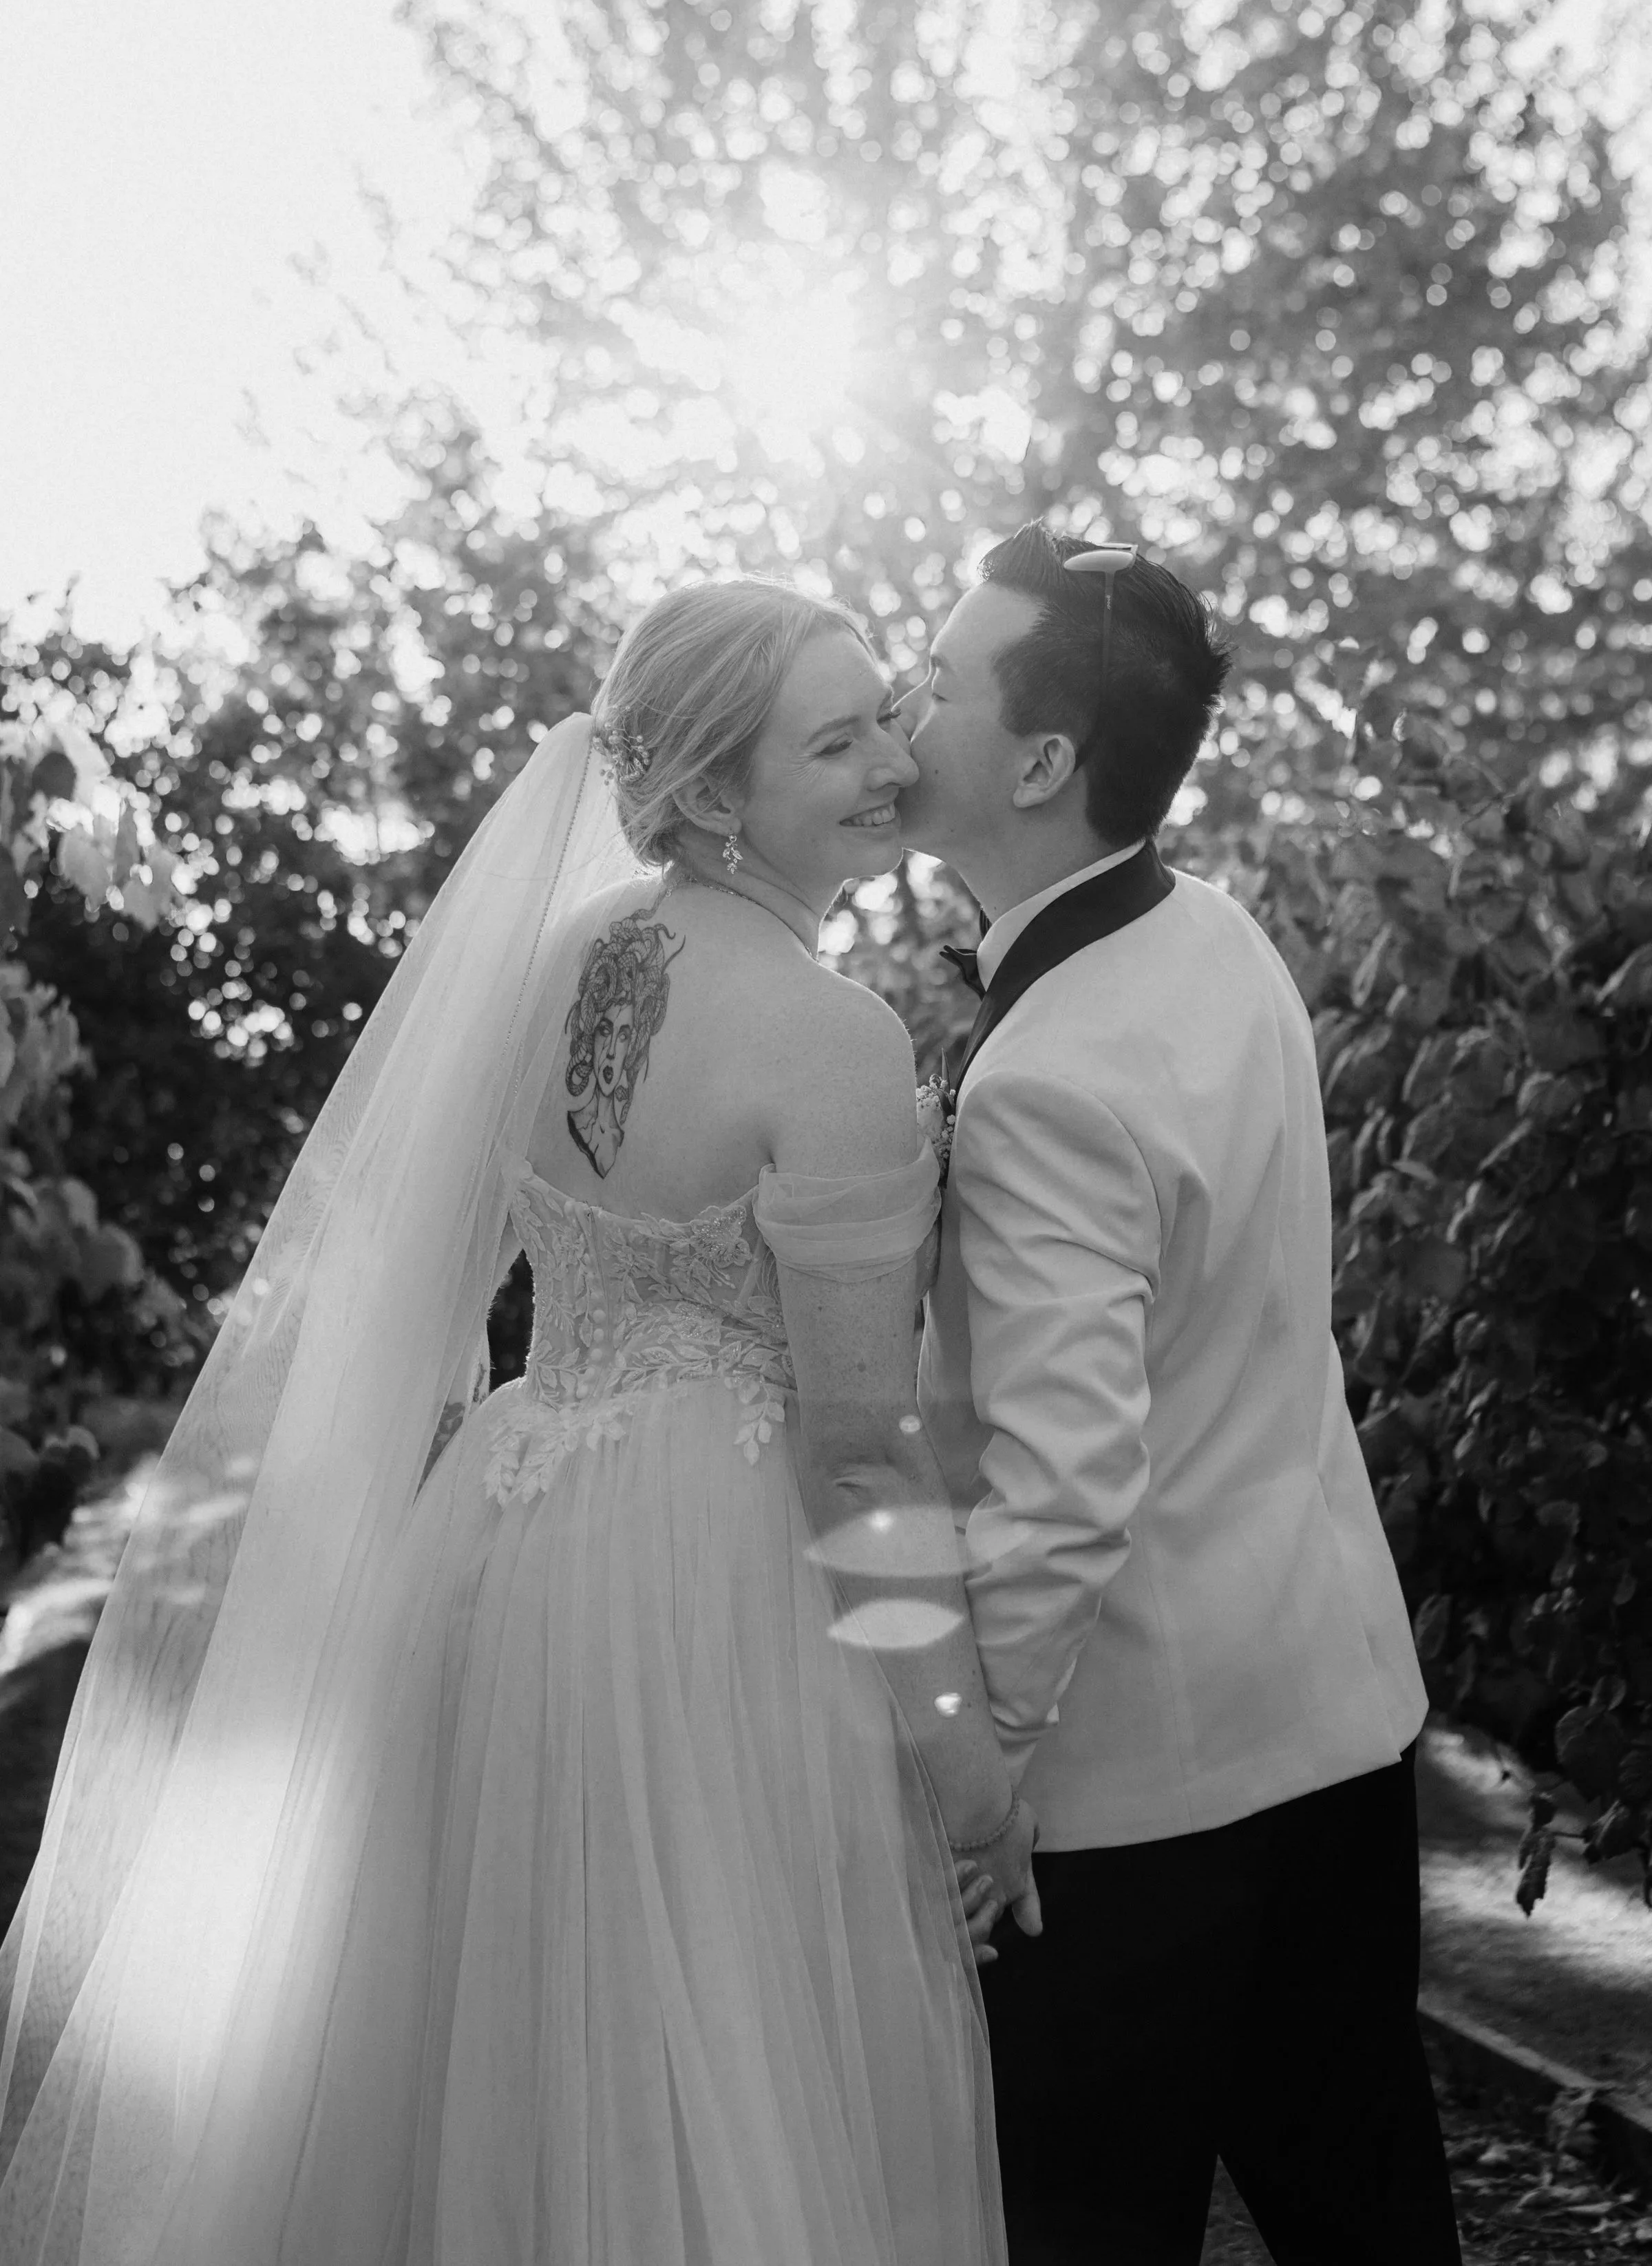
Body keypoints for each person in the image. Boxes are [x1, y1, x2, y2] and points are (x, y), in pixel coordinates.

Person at [0, 580, 1035, 2265]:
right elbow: (859, 1447)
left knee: (501, 2035)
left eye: (888, 719)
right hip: (723, 1593)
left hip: (505, 1547)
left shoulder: (553, 960)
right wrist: (963, 1752)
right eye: (838, 737)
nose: (892, 761)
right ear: (709, 793)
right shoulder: (835, 1038)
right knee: (715, 2043)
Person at [897, 522, 1462, 2265]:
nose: (905, 707)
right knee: (1373, 2218)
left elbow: (1064, 1484)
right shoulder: (1216, 937)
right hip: (1337, 1730)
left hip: (1138, 1814)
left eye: (936, 681)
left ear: (1043, 761)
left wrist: (970, 1755)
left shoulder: (1046, 1079)